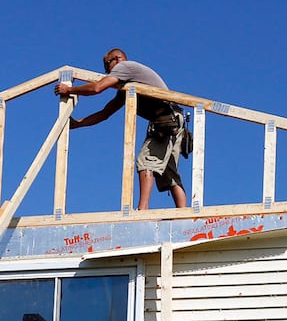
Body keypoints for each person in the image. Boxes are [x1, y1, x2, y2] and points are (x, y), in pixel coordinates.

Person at [54, 49, 189, 211]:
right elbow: (105, 114)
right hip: (174, 120)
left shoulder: (124, 67)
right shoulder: (128, 87)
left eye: (107, 65)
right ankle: (184, 215)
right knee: (169, 173)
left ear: (116, 59)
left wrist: (69, 90)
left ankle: (142, 209)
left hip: (165, 119)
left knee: (146, 162)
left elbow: (97, 87)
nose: (107, 71)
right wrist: (78, 124)